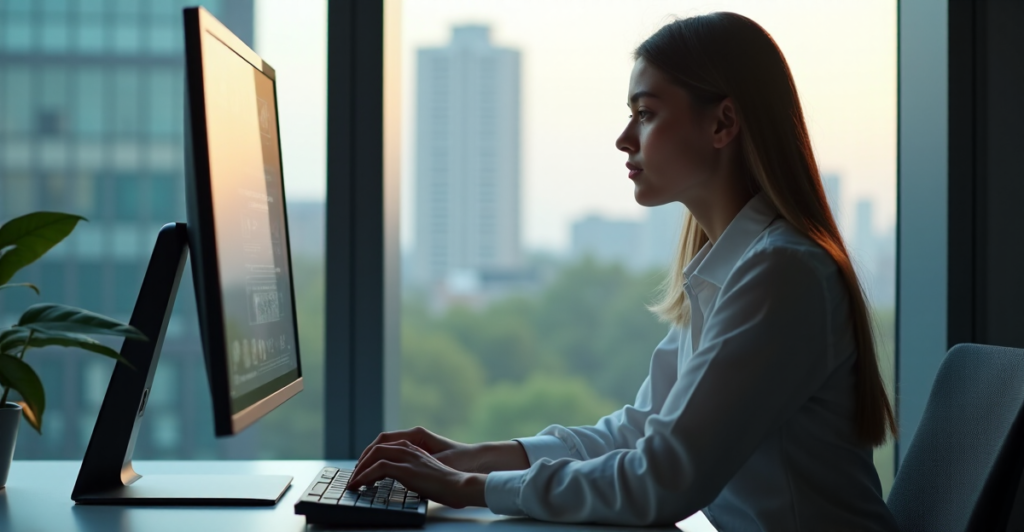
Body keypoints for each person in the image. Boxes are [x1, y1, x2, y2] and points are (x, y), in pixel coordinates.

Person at [348, 12, 899, 530]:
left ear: (723, 123)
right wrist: (479, 456)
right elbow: (639, 430)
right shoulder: (733, 268)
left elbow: (661, 481)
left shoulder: (782, 274)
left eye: (646, 113)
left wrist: (470, 485)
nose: (624, 139)